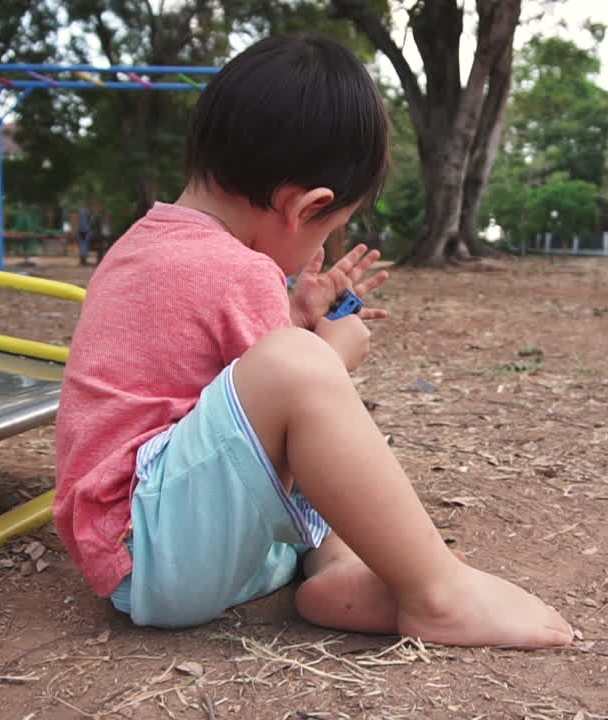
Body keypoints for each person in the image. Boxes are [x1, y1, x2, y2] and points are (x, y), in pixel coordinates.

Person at [53, 33, 572, 649]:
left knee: (302, 386)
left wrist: (295, 316)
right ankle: (438, 593)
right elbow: (280, 391)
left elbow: (228, 401)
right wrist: (330, 352)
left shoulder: (148, 242)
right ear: (305, 208)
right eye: (335, 224)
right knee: (303, 373)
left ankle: (340, 572)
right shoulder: (234, 269)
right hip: (156, 550)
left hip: (146, 541)